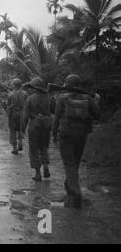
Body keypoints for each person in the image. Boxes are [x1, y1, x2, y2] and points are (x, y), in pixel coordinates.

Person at [52, 74, 100, 208]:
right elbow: (97, 115)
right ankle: (70, 189)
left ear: (67, 85)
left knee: (69, 162)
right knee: (75, 161)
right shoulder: (88, 98)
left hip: (66, 133)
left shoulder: (61, 99)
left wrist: (54, 134)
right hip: (82, 134)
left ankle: (75, 191)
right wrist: (96, 101)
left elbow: (56, 118)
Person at [22, 77, 54, 182]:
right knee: (44, 147)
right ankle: (45, 166)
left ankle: (37, 174)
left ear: (34, 88)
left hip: (34, 125)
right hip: (46, 125)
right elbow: (54, 111)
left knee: (34, 149)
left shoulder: (30, 99)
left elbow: (25, 116)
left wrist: (22, 129)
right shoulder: (50, 97)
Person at [7, 78, 27, 154]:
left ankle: (15, 148)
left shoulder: (10, 94)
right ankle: (20, 141)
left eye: (12, 84)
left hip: (13, 114)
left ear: (14, 85)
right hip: (22, 114)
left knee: (12, 131)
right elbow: (26, 105)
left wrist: (8, 116)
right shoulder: (25, 94)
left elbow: (8, 106)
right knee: (21, 129)